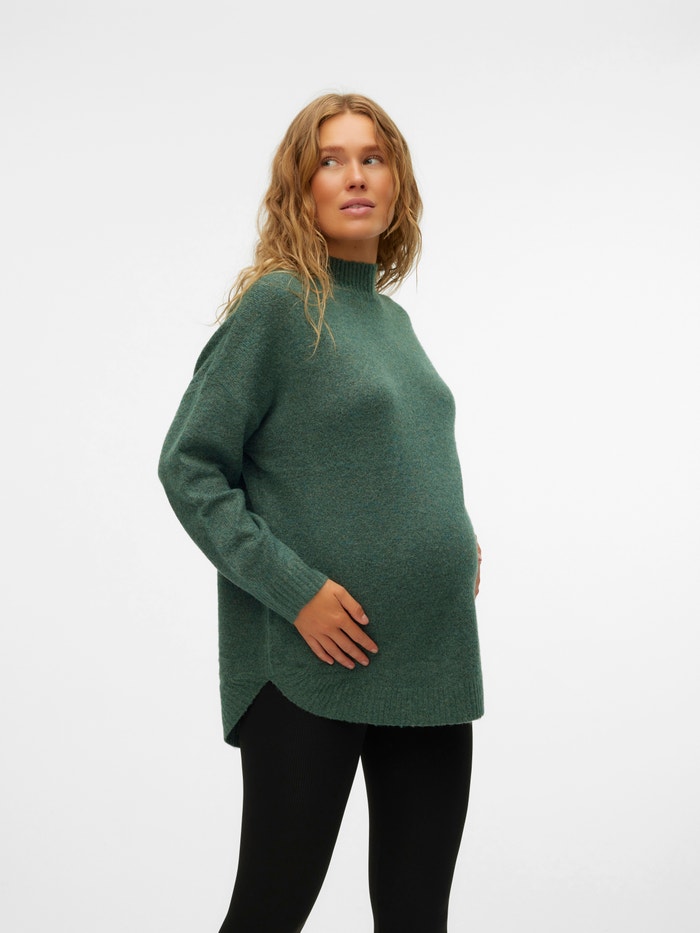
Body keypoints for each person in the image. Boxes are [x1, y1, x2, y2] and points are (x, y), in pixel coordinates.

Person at [158, 92, 484, 933]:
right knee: (269, 912)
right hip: (311, 657)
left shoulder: (393, 321)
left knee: (417, 915)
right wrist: (295, 589)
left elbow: (389, 451)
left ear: (398, 181)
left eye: (373, 158)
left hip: (431, 653)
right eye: (330, 161)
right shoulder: (280, 303)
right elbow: (190, 465)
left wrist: (454, 536)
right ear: (299, 189)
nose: (355, 176)